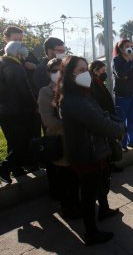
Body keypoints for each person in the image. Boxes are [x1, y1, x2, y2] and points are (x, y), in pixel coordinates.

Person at [58, 55, 125, 245]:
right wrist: (120, 128)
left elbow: (101, 113)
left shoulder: (82, 94)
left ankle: (103, 211)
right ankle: (91, 232)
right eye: (80, 70)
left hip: (94, 149)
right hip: (87, 153)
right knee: (88, 195)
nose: (85, 73)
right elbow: (99, 122)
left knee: (100, 183)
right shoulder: (73, 100)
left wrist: (116, 121)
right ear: (70, 75)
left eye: (86, 69)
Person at [38, 58, 80, 218]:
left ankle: (77, 203)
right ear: (48, 73)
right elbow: (48, 120)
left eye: (61, 70)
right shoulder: (45, 91)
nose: (58, 73)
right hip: (59, 140)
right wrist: (69, 127)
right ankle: (67, 207)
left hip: (74, 140)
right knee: (64, 177)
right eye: (54, 70)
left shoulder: (70, 88)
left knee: (75, 175)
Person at [0, 41, 37, 184]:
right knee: (24, 141)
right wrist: (35, 105)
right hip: (18, 111)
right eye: (22, 55)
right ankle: (5, 167)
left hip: (3, 112)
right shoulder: (16, 67)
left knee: (13, 141)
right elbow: (25, 90)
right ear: (17, 54)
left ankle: (16, 169)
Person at [112, 39, 133, 151]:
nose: (129, 48)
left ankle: (132, 141)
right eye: (126, 46)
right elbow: (121, 75)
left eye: (130, 46)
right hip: (122, 95)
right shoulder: (117, 60)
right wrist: (128, 64)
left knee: (132, 119)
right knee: (121, 120)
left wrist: (129, 75)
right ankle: (123, 144)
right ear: (120, 49)